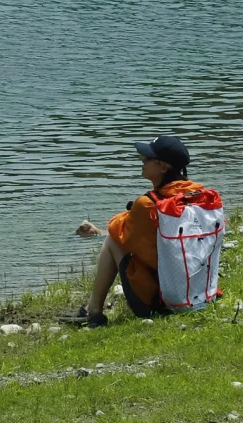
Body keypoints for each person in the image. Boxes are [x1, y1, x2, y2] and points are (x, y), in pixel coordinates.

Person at [70, 134, 209, 324]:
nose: (142, 160)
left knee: (111, 240)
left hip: (159, 302)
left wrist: (129, 214)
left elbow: (116, 229)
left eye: (147, 158)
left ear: (163, 166)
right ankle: (92, 309)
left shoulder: (148, 204)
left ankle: (92, 311)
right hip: (199, 293)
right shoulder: (199, 195)